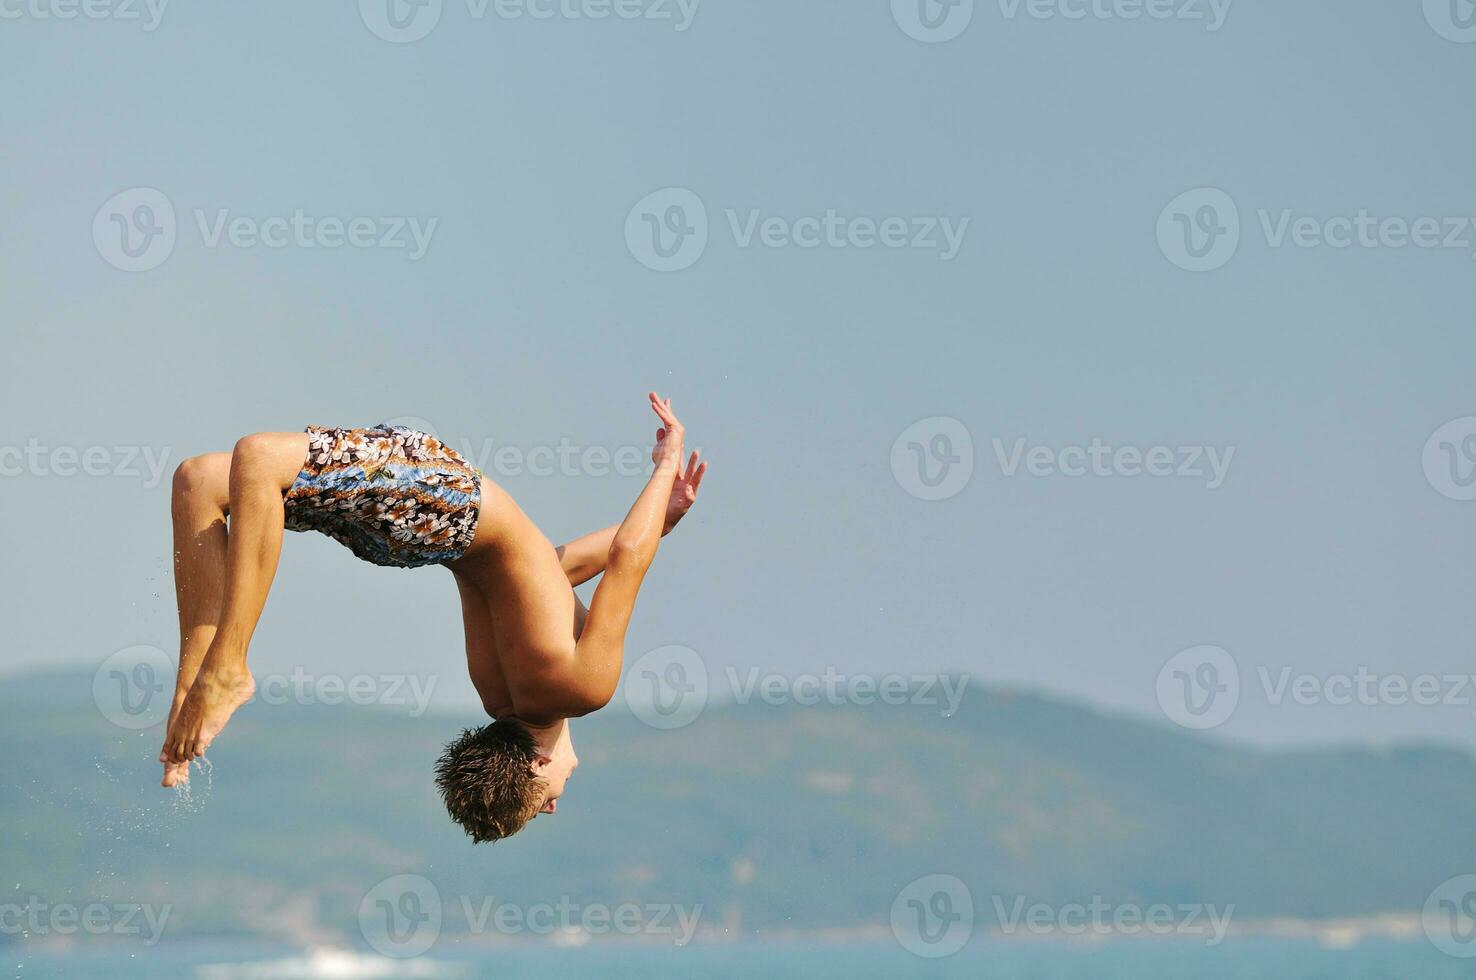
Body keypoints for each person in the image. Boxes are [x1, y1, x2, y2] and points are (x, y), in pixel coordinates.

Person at [160, 393, 705, 842]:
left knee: (255, 458)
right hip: (412, 540)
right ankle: (190, 691)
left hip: (444, 505)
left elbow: (626, 561)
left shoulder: (581, 689)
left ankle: (226, 665)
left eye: (543, 806)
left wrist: (662, 472)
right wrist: (666, 517)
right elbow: (548, 573)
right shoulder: (496, 694)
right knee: (202, 481)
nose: (555, 807)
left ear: (536, 768)